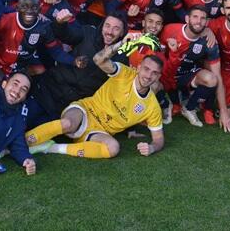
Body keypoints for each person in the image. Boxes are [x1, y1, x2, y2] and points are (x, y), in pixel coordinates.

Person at [26, 44, 164, 159]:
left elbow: (159, 139)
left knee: (113, 148)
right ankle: (21, 143)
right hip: (85, 111)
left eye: (154, 73)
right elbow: (99, 59)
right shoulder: (125, 73)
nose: (149, 75)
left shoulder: (152, 106)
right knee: (68, 124)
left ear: (159, 76)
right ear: (139, 68)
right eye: (146, 69)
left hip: (99, 132)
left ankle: (52, 148)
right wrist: (119, 45)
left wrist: (151, 147)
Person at [0, 0, 77, 87]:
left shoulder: (44, 28)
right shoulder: (4, 20)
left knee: (33, 77)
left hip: (19, 69)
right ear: (17, 7)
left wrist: (74, 61)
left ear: (40, 9)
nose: (29, 11)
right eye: (24, 7)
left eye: (34, 7)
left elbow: (55, 51)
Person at [160, 5, 230, 130]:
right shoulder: (169, 30)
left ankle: (188, 108)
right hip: (165, 75)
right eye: (195, 17)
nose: (198, 21)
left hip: (186, 76)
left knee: (212, 79)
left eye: (203, 18)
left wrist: (224, 111)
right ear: (187, 18)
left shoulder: (209, 42)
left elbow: (218, 76)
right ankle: (167, 103)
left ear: (207, 22)